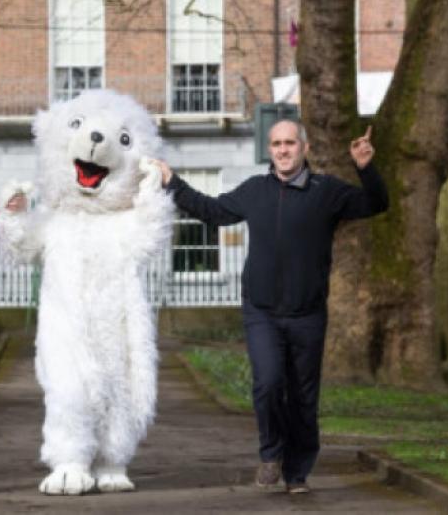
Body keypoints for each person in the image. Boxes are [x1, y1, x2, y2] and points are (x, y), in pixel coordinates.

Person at [152, 121, 387, 494]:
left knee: (303, 398)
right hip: (261, 311)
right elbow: (212, 211)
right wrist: (172, 182)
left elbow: (376, 204)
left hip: (308, 314)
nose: (282, 150)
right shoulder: (254, 191)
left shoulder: (326, 191)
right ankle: (271, 453)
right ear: (270, 149)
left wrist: (365, 168)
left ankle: (297, 474)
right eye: (276, 143)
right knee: (268, 383)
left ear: (304, 147)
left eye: (289, 143)